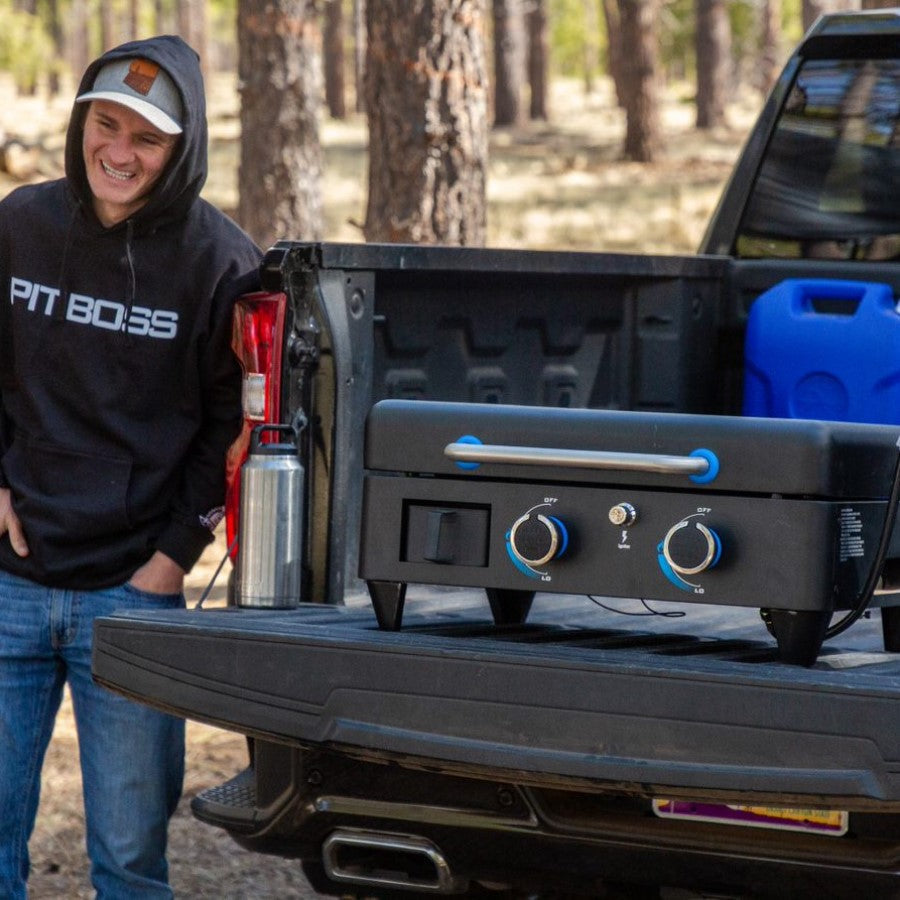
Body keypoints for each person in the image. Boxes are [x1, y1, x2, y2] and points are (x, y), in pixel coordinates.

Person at [0, 35, 262, 898]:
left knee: (128, 861)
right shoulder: (18, 227)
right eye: (104, 125)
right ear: (81, 120)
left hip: (134, 596)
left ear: (182, 148)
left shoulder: (220, 262)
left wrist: (171, 560)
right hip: (8, 583)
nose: (118, 152)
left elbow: (232, 422)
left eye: (145, 138)